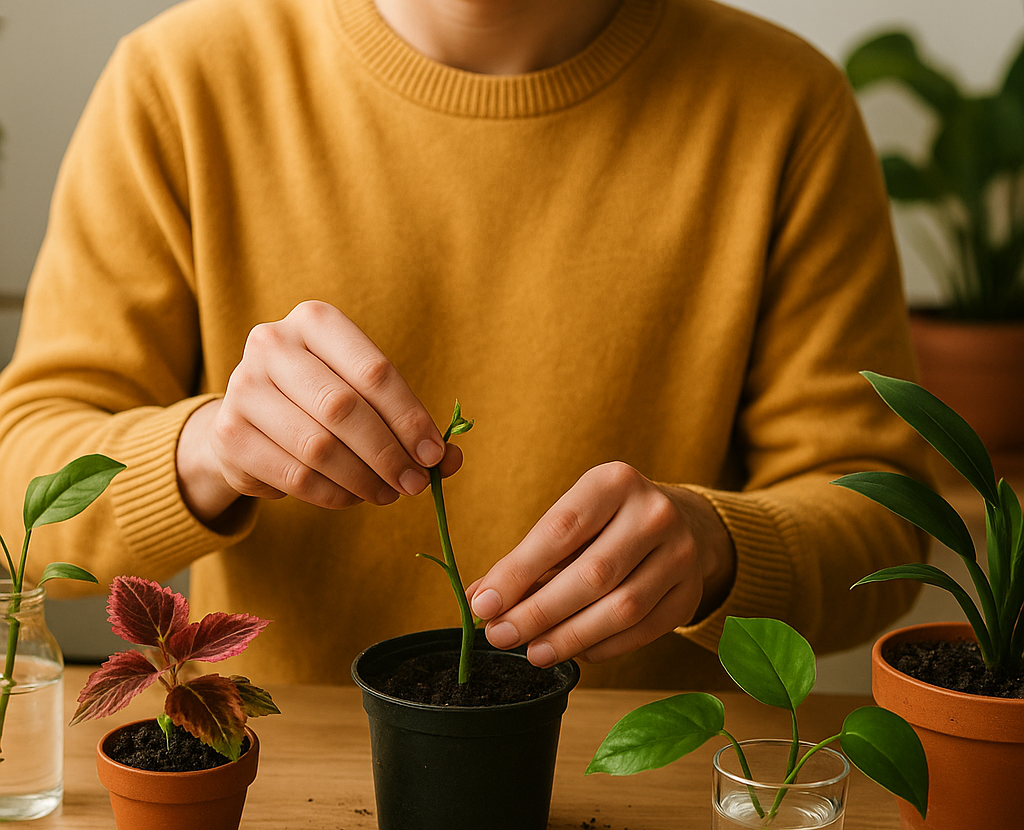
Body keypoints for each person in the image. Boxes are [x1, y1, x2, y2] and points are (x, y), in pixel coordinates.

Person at [0, 0, 929, 690]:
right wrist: (202, 449)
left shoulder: (784, 106)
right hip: (274, 810)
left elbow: (885, 526)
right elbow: (17, 496)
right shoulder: (179, 83)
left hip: (657, 825)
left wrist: (719, 548)